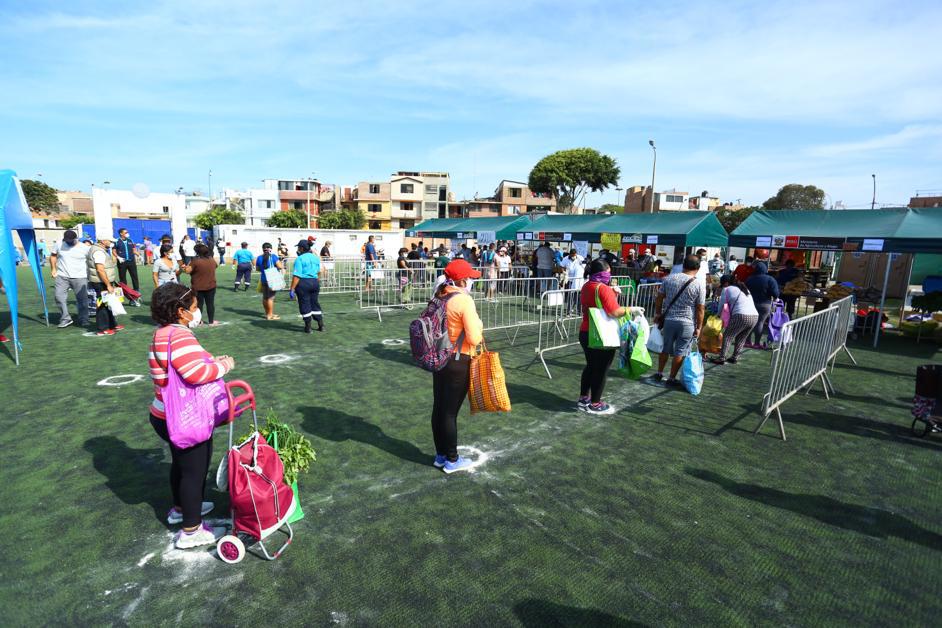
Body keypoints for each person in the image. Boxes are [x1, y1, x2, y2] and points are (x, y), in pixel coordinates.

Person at [148, 283, 234, 549]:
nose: (197, 312)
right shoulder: (180, 335)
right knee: (194, 472)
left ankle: (180, 509)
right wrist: (223, 366)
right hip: (183, 417)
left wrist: (209, 360)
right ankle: (191, 530)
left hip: (162, 413)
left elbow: (186, 364)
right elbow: (195, 375)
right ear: (181, 311)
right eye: (195, 308)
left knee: (181, 465)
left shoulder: (162, 333)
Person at [430, 260, 484, 474]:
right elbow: (474, 337)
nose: (471, 281)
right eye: (470, 278)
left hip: (440, 357)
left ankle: (441, 455)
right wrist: (479, 325)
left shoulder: (439, 295)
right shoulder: (463, 300)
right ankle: (452, 459)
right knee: (450, 413)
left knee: (440, 409)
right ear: (462, 280)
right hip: (458, 359)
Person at [578, 259, 630, 414]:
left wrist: (612, 294)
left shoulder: (587, 286)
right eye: (608, 271)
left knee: (591, 366)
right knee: (601, 370)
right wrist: (630, 309)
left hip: (586, 332)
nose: (610, 274)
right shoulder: (603, 288)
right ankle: (595, 403)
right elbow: (614, 312)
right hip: (601, 335)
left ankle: (583, 398)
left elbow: (597, 304)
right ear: (604, 272)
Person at [652, 254, 705, 389]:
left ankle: (659, 373)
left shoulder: (669, 279)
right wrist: (699, 327)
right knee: (680, 351)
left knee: (665, 348)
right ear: (698, 268)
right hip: (687, 322)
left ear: (683, 265)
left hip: (669, 319)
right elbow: (700, 309)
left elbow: (659, 298)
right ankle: (671, 377)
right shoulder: (698, 284)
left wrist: (658, 313)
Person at [710, 275, 759, 365]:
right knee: (741, 338)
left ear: (726, 283)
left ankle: (722, 358)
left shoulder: (727, 289)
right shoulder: (744, 289)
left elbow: (721, 305)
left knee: (727, 336)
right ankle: (735, 357)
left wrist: (717, 316)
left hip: (741, 315)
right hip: (755, 316)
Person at [49, 229, 90, 329]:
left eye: (70, 240)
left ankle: (83, 319)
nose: (68, 242)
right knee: (58, 297)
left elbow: (91, 261)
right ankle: (65, 318)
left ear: (76, 238)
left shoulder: (85, 248)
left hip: (80, 277)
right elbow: (53, 256)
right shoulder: (59, 244)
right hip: (62, 276)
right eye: (66, 240)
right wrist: (53, 269)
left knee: (82, 300)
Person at [86, 232, 123, 336]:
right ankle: (103, 328)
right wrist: (108, 285)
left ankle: (112, 324)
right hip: (101, 282)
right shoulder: (99, 252)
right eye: (109, 240)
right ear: (103, 241)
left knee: (108, 303)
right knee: (102, 305)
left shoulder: (100, 250)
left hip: (102, 281)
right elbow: (100, 270)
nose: (111, 242)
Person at [289, 240, 324, 333]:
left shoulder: (299, 259)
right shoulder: (315, 258)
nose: (297, 249)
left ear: (302, 248)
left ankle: (308, 327)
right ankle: (321, 325)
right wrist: (315, 281)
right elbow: (319, 271)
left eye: (298, 247)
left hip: (303, 283)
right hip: (315, 282)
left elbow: (297, 275)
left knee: (305, 304)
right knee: (314, 303)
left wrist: (292, 289)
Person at [745, 261, 780, 349]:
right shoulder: (770, 279)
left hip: (750, 304)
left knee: (749, 322)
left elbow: (745, 291)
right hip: (764, 304)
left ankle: (747, 342)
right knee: (760, 323)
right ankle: (757, 343)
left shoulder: (749, 278)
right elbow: (775, 293)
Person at [189, 243, 219, 326]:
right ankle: (211, 322)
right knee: (210, 304)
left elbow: (188, 271)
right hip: (211, 285)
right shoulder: (211, 259)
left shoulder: (195, 261)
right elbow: (216, 266)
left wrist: (184, 267)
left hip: (198, 286)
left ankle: (199, 321)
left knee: (199, 305)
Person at [256, 242, 284, 320]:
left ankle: (267, 313)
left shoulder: (259, 257)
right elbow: (280, 266)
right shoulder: (273, 256)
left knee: (265, 297)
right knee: (271, 298)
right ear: (270, 249)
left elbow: (258, 269)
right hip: (272, 279)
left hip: (263, 279)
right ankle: (270, 315)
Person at [113, 228, 140, 293]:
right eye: (125, 232)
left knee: (134, 276)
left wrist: (139, 255)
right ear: (121, 233)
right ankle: (125, 291)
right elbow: (113, 251)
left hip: (131, 261)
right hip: (122, 262)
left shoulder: (130, 240)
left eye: (127, 232)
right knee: (122, 277)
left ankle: (136, 290)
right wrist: (118, 257)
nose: (127, 233)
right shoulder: (116, 241)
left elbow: (134, 250)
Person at [561, 248, 585, 314]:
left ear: (576, 254)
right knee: (570, 296)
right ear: (570, 254)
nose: (573, 257)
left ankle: (579, 311)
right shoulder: (565, 259)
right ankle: (569, 311)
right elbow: (562, 266)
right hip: (570, 280)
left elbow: (584, 266)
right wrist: (564, 272)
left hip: (579, 281)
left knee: (579, 296)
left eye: (574, 255)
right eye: (572, 256)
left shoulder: (580, 258)